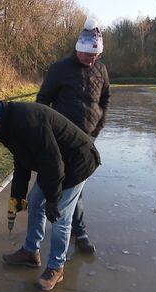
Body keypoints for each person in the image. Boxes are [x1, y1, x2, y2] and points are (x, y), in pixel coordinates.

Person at [0, 94, 101, 291]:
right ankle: (30, 252)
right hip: (55, 164)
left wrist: (53, 200)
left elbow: (53, 162)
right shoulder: (5, 126)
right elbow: (21, 160)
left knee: (60, 217)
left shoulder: (27, 120)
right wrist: (17, 196)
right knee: (35, 200)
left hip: (78, 162)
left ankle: (56, 267)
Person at [35, 18, 110, 254]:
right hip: (60, 140)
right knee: (62, 185)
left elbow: (105, 99)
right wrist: (46, 133)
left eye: (96, 55)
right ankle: (64, 232)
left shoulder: (101, 69)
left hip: (87, 141)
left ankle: (79, 230)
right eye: (90, 55)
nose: (93, 59)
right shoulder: (59, 69)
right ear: (79, 49)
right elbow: (42, 101)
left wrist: (98, 128)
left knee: (76, 186)